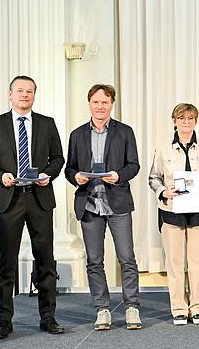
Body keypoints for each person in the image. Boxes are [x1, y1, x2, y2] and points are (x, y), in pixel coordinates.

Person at [0, 75, 65, 339]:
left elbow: (58, 158)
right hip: (9, 199)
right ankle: (4, 320)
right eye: (20, 90)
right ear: (10, 94)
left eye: (30, 91)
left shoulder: (47, 124)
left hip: (39, 198)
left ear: (34, 95)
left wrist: (49, 173)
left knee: (45, 260)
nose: (25, 95)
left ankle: (48, 317)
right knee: (6, 263)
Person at [64, 84, 142, 331]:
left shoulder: (125, 132)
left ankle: (132, 307)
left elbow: (134, 165)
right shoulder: (77, 134)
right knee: (94, 260)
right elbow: (69, 168)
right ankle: (103, 309)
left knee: (127, 258)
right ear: (89, 104)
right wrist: (75, 176)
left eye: (105, 102)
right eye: (96, 102)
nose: (100, 107)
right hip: (89, 205)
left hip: (117, 203)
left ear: (112, 104)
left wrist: (119, 175)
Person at [148, 103, 199, 325]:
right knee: (176, 262)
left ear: (196, 122)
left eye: (190, 118)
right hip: (171, 212)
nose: (186, 122)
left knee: (197, 262)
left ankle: (198, 308)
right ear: (174, 121)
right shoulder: (163, 149)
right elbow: (153, 178)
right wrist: (164, 192)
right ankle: (179, 308)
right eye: (182, 118)